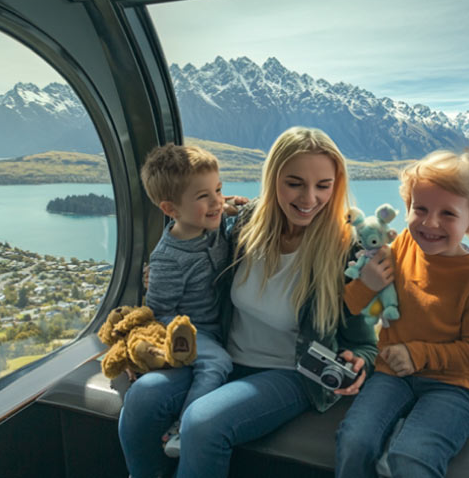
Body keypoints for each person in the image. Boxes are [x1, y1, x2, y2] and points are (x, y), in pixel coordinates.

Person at [119, 127, 379, 478]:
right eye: (295, 183)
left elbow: (365, 345)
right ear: (273, 180)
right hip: (223, 356)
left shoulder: (347, 250)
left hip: (289, 373)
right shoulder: (244, 225)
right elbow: (191, 246)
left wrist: (358, 362)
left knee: (202, 422)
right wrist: (158, 288)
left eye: (323, 185)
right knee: (142, 397)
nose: (310, 198)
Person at [336, 150, 469, 478]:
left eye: (448, 213)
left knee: (412, 458)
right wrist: (366, 284)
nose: (429, 223)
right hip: (391, 376)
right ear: (407, 206)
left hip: (452, 386)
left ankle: (456, 421)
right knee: (354, 440)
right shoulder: (403, 244)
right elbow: (352, 304)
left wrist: (416, 354)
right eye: (419, 208)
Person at [138, 144, 241, 458]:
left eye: (219, 190)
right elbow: (158, 311)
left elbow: (223, 210)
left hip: (214, 325)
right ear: (171, 209)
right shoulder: (169, 259)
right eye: (203, 197)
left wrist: (230, 206)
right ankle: (183, 428)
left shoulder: (211, 226)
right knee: (218, 363)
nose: (216, 202)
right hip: (186, 328)